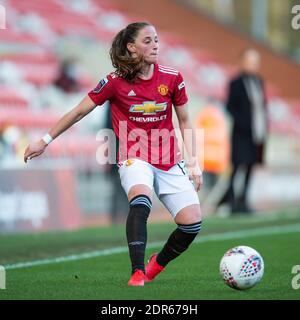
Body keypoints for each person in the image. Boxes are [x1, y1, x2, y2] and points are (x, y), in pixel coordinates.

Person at [24, 22, 203, 286]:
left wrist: (193, 162)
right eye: (148, 41)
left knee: (191, 225)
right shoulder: (113, 82)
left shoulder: (172, 77)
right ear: (131, 47)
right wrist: (45, 139)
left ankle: (157, 264)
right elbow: (78, 112)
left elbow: (185, 120)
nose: (155, 45)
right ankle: (137, 271)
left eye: (156, 40)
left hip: (168, 159)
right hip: (134, 155)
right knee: (141, 201)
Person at [218, 48, 268, 214]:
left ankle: (244, 200)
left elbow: (261, 107)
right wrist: (242, 123)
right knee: (237, 166)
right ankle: (231, 202)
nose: (253, 65)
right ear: (242, 62)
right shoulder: (236, 83)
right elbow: (229, 106)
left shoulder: (259, 81)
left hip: (257, 133)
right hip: (240, 134)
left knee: (250, 166)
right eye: (250, 61)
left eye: (255, 62)